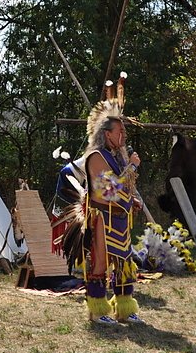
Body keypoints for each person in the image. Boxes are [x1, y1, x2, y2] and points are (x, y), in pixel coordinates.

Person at [57, 73, 145, 325]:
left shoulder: (118, 156)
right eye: (120, 130)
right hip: (102, 220)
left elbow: (123, 188)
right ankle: (97, 311)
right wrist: (133, 167)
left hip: (120, 219)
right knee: (100, 264)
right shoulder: (96, 157)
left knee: (124, 264)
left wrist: (132, 200)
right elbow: (108, 191)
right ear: (107, 134)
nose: (124, 134)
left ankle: (125, 309)